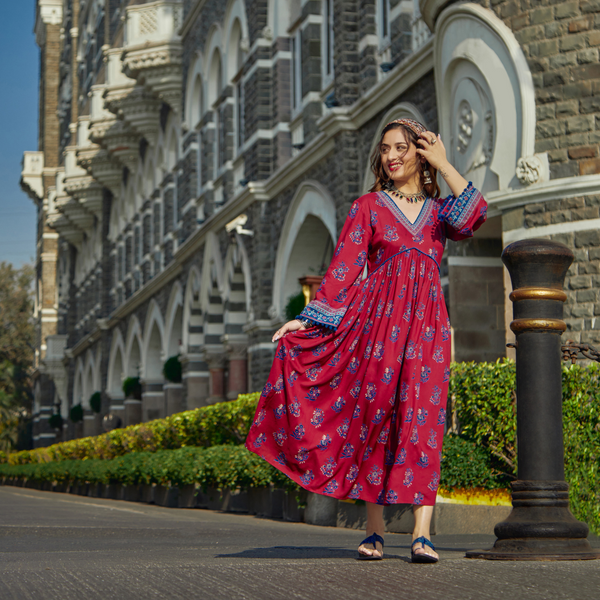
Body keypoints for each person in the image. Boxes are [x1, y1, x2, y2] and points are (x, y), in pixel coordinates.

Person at [246, 118, 487, 562]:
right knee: (376, 419)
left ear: (419, 153)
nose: (391, 156)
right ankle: (374, 530)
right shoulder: (369, 207)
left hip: (428, 331)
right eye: (385, 149)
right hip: (376, 332)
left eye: (401, 148)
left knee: (423, 421)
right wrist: (307, 322)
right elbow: (342, 271)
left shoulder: (439, 214)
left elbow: (474, 216)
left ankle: (421, 534)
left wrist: (445, 163)